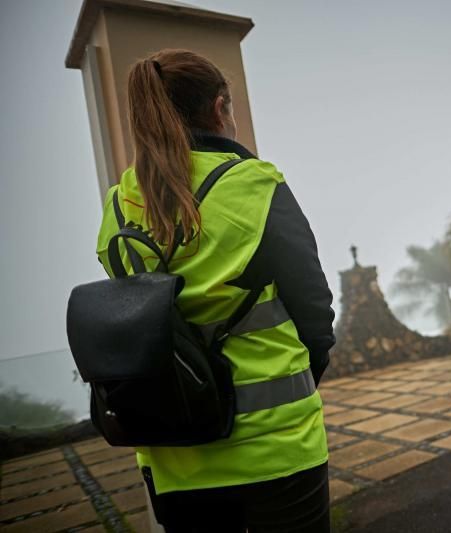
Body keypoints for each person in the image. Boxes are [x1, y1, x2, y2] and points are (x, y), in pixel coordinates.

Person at [95, 49, 335, 532]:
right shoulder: (253, 184)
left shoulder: (121, 205)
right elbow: (314, 311)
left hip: (175, 454)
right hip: (278, 446)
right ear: (221, 105)